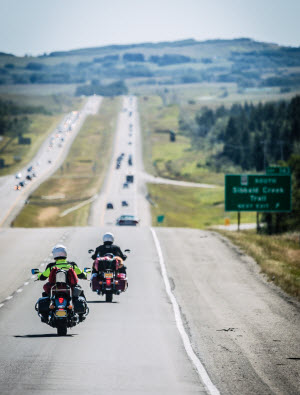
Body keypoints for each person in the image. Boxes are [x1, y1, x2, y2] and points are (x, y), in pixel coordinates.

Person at [38, 244, 87, 322]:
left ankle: (45, 316)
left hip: (54, 289)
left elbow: (43, 277)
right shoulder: (71, 265)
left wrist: (39, 275)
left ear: (54, 254)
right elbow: (81, 275)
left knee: (45, 295)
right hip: (70, 288)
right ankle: (82, 315)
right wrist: (85, 274)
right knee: (80, 293)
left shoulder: (51, 266)